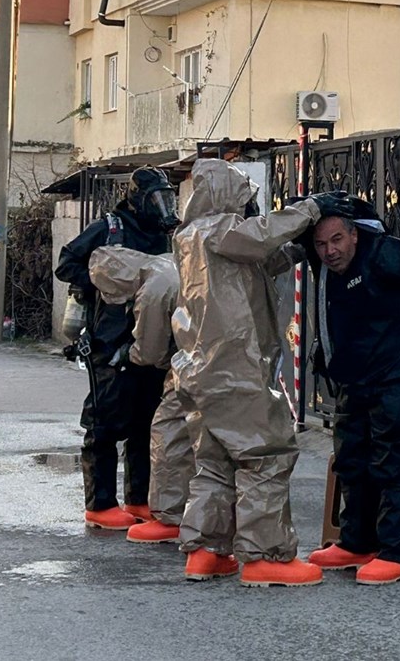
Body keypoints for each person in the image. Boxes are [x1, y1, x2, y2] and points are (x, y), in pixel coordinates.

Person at [171, 158, 322, 586]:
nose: (250, 207)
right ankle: (265, 556)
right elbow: (257, 238)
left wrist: (292, 250)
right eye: (245, 198)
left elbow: (251, 263)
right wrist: (308, 210)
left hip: (199, 370)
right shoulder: (219, 229)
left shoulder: (189, 237)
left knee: (214, 462)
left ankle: (205, 552)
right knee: (266, 455)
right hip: (233, 368)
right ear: (227, 197)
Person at [304, 192, 400, 585]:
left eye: (336, 240)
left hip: (394, 373)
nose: (329, 251)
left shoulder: (382, 251)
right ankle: (356, 542)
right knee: (352, 458)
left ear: (354, 236)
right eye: (321, 244)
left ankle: (397, 554)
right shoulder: (318, 262)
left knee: (392, 459)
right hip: (353, 377)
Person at [55, 166, 180, 530]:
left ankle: (139, 499)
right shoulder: (111, 228)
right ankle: (100, 504)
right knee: (105, 422)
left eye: (167, 198)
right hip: (109, 340)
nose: (162, 206)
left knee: (146, 422)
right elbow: (67, 264)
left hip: (150, 340)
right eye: (156, 198)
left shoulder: (164, 235)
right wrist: (104, 284)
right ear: (136, 198)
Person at [86, 247, 193, 546]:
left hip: (193, 361)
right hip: (226, 352)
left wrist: (127, 353)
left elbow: (150, 351)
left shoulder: (152, 290)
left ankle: (169, 518)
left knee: (167, 430)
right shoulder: (165, 261)